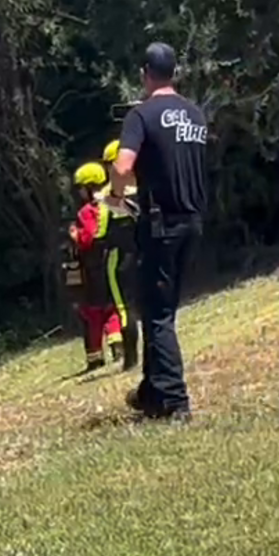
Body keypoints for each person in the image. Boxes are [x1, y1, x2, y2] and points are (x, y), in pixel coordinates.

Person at [109, 42, 209, 421]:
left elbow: (122, 167)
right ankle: (151, 392)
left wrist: (117, 197)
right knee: (161, 308)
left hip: (160, 222)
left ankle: (175, 401)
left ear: (144, 73)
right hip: (193, 220)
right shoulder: (195, 114)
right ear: (175, 72)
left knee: (157, 314)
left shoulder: (142, 114)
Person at [69, 162, 125, 373]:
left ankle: (95, 357)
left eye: (81, 188)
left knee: (93, 312)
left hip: (93, 268)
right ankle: (117, 345)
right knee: (112, 308)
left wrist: (76, 235)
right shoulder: (111, 203)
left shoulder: (86, 212)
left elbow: (90, 236)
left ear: (89, 186)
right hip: (111, 261)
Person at [100, 139, 142, 370]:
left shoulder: (109, 193)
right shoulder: (144, 185)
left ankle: (130, 360)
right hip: (143, 253)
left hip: (119, 257)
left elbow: (100, 231)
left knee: (124, 308)